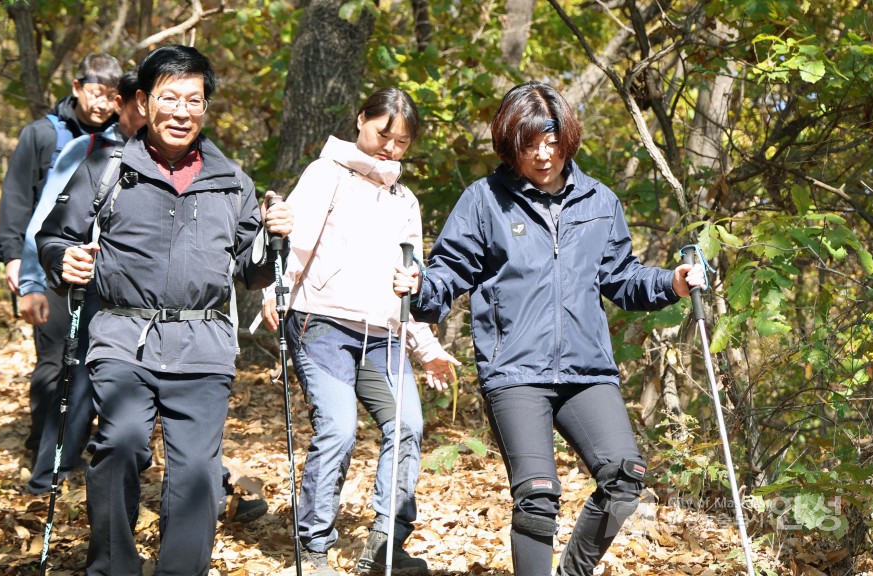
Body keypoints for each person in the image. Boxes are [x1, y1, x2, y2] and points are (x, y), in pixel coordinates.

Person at [393, 81, 706, 576]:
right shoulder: (484, 201)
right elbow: (448, 273)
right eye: (530, 145)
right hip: (515, 372)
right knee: (538, 499)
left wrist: (673, 282)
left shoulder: (599, 201)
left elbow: (623, 278)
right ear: (510, 145)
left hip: (587, 370)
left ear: (569, 141)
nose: (543, 155)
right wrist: (420, 287)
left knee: (624, 478)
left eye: (553, 143)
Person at [36, 44, 292, 575]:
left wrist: (274, 238)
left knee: (197, 470)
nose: (181, 111)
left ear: (206, 107)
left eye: (194, 100)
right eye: (169, 98)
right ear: (143, 102)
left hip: (204, 344)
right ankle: (113, 567)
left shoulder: (233, 181)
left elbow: (252, 271)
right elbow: (54, 236)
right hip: (122, 337)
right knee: (122, 442)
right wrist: (64, 260)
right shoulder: (105, 169)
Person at [261, 88, 459, 576]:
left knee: (408, 426)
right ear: (360, 120)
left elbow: (408, 283)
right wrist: (274, 292)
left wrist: (427, 349)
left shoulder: (405, 200)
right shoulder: (327, 174)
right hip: (322, 325)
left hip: (384, 335)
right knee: (339, 428)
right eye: (382, 134)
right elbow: (295, 244)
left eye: (402, 141)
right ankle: (313, 548)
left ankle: (386, 545)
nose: (389, 147)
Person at [17, 70, 146, 495]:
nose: (151, 113)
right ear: (122, 103)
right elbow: (46, 222)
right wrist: (33, 282)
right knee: (79, 383)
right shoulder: (89, 149)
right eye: (141, 104)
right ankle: (46, 479)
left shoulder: (173, 157)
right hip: (95, 290)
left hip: (153, 298)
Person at [0, 52, 122, 456]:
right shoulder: (43, 135)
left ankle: (75, 446)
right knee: (53, 360)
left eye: (111, 96)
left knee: (94, 361)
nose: (102, 103)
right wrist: (15, 260)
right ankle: (42, 447)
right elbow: (18, 200)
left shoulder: (126, 141)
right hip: (49, 262)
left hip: (102, 269)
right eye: (95, 92)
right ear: (76, 87)